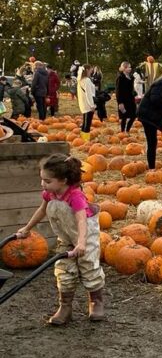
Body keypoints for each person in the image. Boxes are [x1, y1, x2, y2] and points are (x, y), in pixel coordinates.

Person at [15, 154, 105, 325]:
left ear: (63, 180)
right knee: (63, 271)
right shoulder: (50, 194)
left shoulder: (75, 196)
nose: (43, 184)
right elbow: (42, 211)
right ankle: (65, 307)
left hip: (85, 235)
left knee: (89, 268)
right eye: (42, 179)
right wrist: (27, 229)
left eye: (47, 181)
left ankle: (96, 302)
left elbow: (81, 220)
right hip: (65, 237)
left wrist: (81, 243)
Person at [115, 61, 137, 133]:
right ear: (124, 68)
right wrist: (120, 103)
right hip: (123, 100)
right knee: (124, 117)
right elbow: (118, 91)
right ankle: (122, 132)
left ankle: (127, 130)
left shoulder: (131, 77)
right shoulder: (120, 78)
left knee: (134, 115)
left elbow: (131, 88)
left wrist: (134, 93)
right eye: (128, 67)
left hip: (131, 100)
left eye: (130, 67)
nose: (130, 69)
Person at [77, 65, 97, 142]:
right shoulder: (87, 80)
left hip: (83, 103)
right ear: (87, 70)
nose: (91, 72)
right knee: (87, 123)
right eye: (91, 70)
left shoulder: (80, 80)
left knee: (85, 121)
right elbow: (88, 94)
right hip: (88, 104)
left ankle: (82, 138)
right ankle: (85, 140)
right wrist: (92, 105)